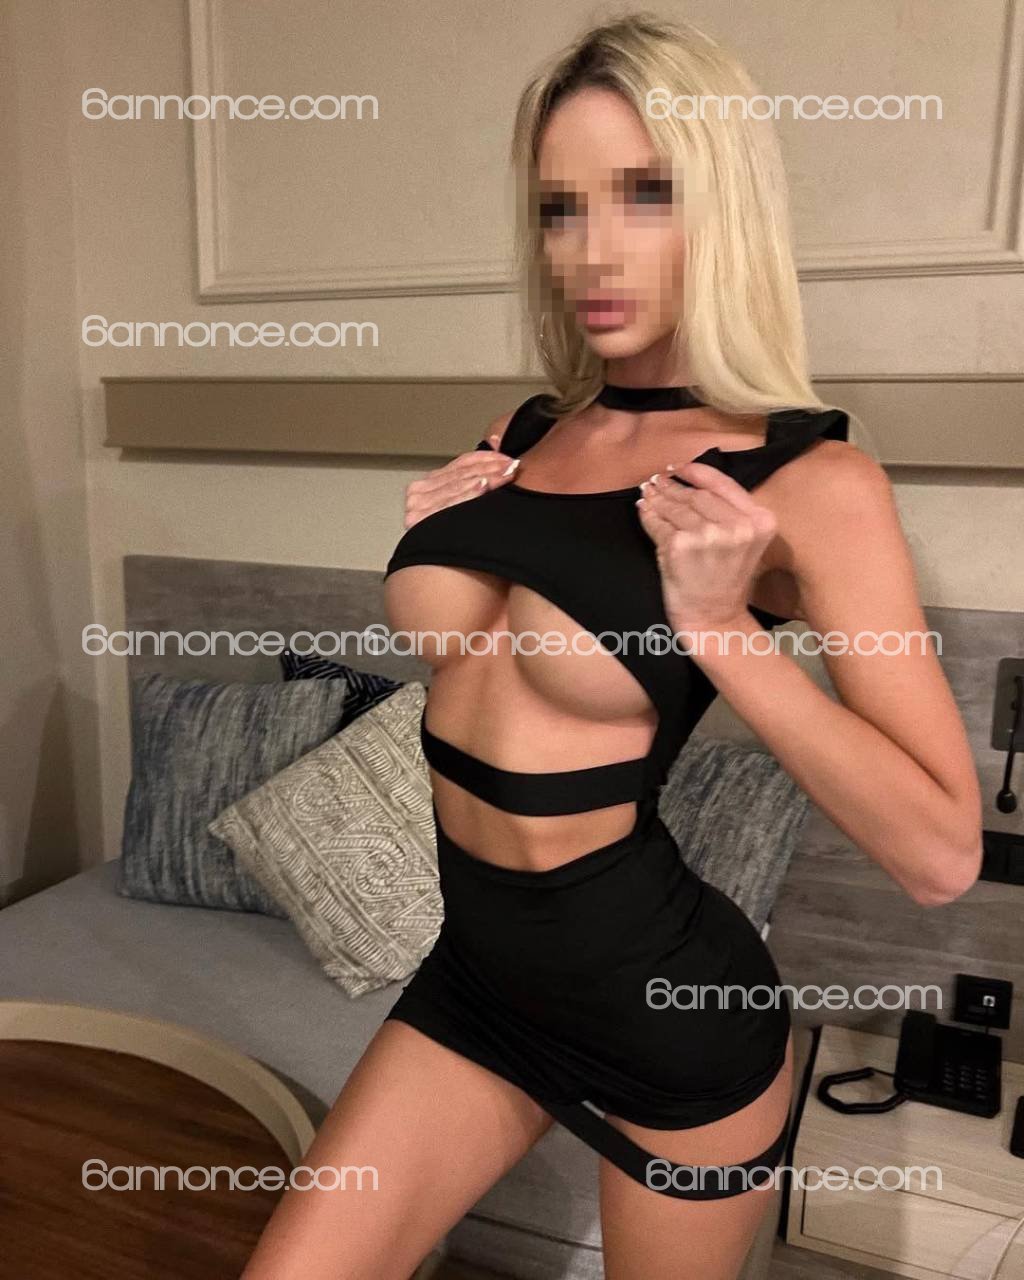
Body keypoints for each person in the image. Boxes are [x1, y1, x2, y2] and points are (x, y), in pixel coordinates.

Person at [242, 14, 982, 1279]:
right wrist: (432, 538)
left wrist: (723, 631)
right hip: (479, 978)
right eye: (559, 206)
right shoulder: (527, 430)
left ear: (725, 205)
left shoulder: (810, 481)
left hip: (670, 1020)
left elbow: (940, 852)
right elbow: (491, 678)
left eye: (645, 193)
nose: (592, 248)